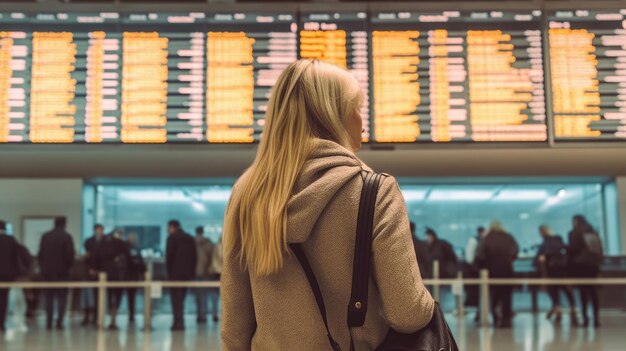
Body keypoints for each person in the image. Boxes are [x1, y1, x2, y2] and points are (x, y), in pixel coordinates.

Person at [221, 60, 434, 350]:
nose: (361, 120)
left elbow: (234, 330)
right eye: (356, 109)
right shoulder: (374, 191)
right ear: (332, 115)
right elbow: (407, 314)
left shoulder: (247, 195)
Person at [476, 221, 518, 328]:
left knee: (494, 296)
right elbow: (515, 251)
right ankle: (506, 320)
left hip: (492, 272)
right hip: (507, 271)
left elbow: (480, 255)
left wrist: (484, 266)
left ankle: (496, 318)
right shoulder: (509, 237)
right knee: (507, 297)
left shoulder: (487, 238)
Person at [535, 225, 578, 325]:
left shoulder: (545, 243)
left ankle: (557, 310)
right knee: (566, 290)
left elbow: (540, 256)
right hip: (563, 270)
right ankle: (573, 309)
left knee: (554, 291)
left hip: (551, 270)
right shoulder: (559, 241)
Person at [37, 216, 75, 330]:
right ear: (64, 224)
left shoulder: (46, 236)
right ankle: (59, 322)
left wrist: (44, 267)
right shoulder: (67, 237)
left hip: (48, 272)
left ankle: (49, 321)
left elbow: (40, 254)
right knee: (62, 298)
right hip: (62, 272)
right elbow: (70, 256)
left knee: (49, 297)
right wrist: (67, 267)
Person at [568, 215, 603, 327]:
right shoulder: (593, 232)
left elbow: (572, 250)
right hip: (593, 266)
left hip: (580, 266)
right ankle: (596, 319)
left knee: (583, 293)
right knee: (593, 293)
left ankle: (585, 318)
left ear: (576, 221)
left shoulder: (574, 233)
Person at [94, 229, 131, 330]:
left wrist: (95, 269)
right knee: (116, 296)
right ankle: (113, 319)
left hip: (105, 274)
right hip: (118, 274)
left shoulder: (102, 244)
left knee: (107, 296)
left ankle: (103, 319)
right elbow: (128, 258)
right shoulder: (120, 244)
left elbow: (96, 258)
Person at [166, 220, 197, 331]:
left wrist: (169, 273)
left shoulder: (172, 238)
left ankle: (178, 322)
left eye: (168, 228)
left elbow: (169, 257)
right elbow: (194, 257)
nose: (167, 230)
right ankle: (180, 322)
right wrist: (191, 272)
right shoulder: (189, 238)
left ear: (172, 227)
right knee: (181, 299)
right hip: (187, 274)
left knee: (176, 300)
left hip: (175, 274)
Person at [82, 223, 105, 326]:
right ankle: (86, 316)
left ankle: (97, 317)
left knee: (98, 296)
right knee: (87, 295)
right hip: (89, 272)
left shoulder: (106, 242)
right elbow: (88, 256)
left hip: (100, 272)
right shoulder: (89, 241)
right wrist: (90, 268)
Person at [0, 220, 20, 333]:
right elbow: (16, 257)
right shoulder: (10, 240)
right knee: (3, 299)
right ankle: (1, 323)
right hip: (7, 275)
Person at [194, 226, 214, 324]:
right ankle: (205, 315)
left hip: (195, 272)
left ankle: (200, 315)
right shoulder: (209, 244)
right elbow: (212, 258)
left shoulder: (192, 243)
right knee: (205, 295)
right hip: (206, 272)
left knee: (198, 296)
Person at [464, 226, 484, 322]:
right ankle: (479, 313)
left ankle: (479, 313)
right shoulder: (478, 241)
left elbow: (469, 258)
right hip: (481, 272)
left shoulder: (474, 240)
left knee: (479, 294)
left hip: (476, 272)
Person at [126, 233, 146, 325]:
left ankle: (132, 314)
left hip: (134, 276)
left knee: (132, 296)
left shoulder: (137, 250)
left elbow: (141, 263)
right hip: (126, 275)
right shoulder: (125, 249)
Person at [208, 235, 223, 323]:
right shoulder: (221, 246)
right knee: (221, 296)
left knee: (215, 296)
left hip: (216, 272)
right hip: (220, 272)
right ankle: (218, 314)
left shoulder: (216, 246)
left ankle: (215, 314)